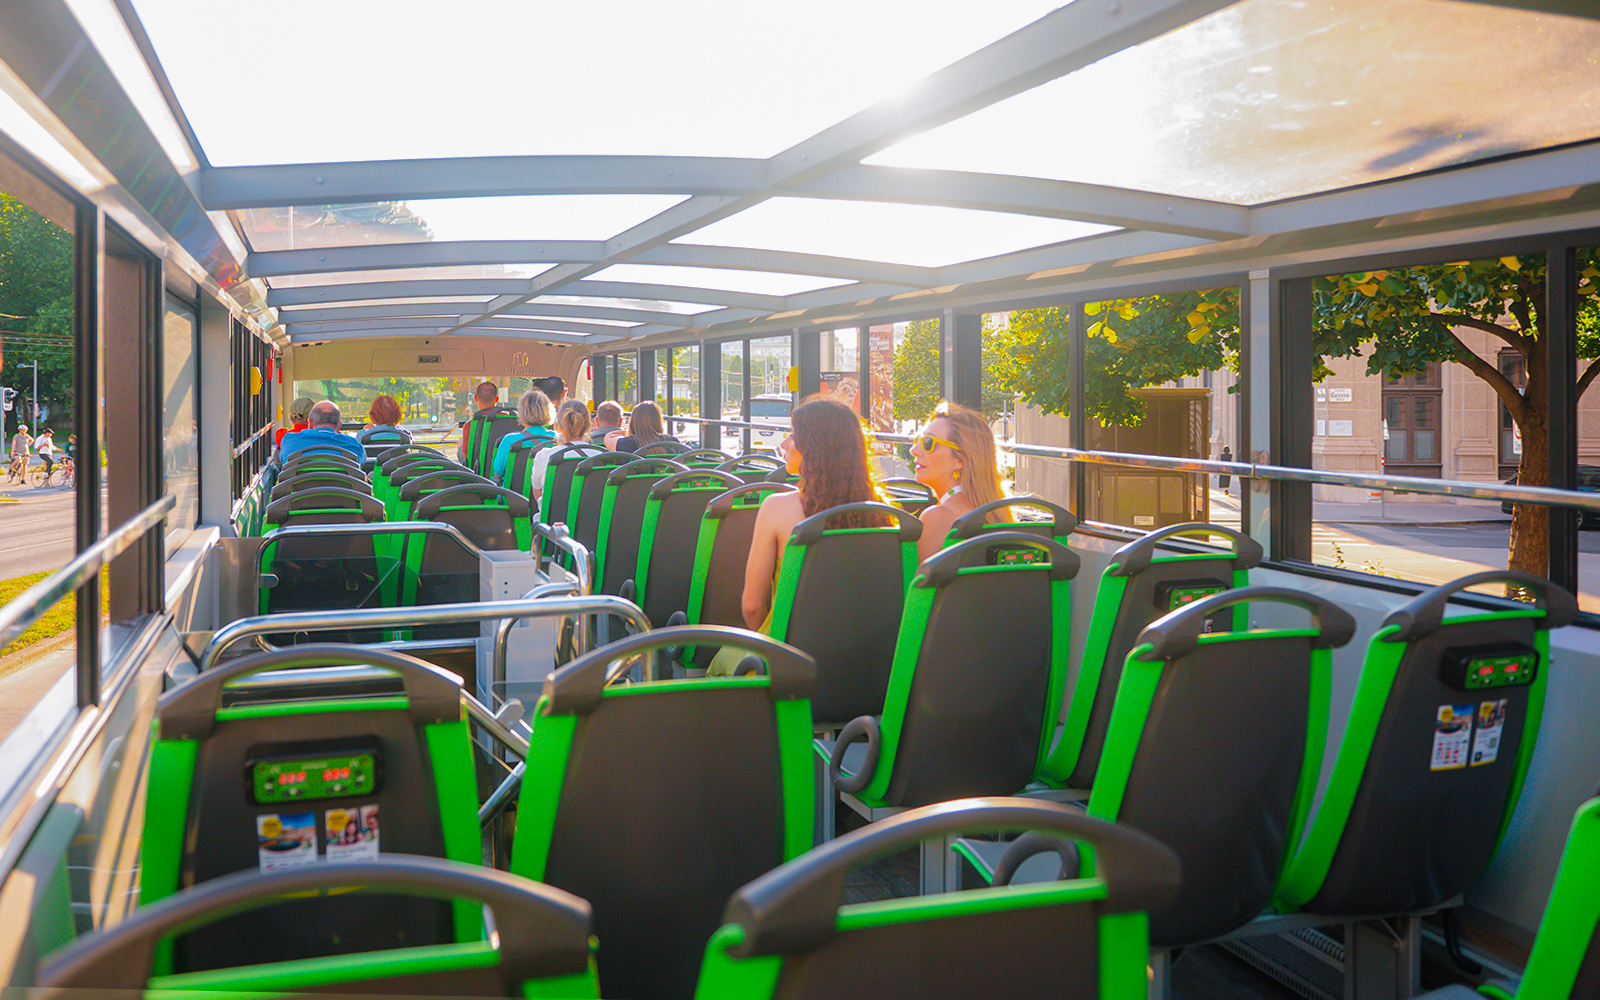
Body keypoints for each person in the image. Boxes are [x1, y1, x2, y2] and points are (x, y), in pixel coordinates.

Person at [709, 398, 888, 675]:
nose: (784, 444)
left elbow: (752, 606)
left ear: (814, 450)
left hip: (786, 662)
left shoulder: (777, 508)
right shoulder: (884, 514)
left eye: (792, 436)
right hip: (864, 664)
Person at [909, 402, 1010, 562]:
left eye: (928, 443)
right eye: (917, 440)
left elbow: (917, 586)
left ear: (960, 459)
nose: (914, 450)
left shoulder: (935, 519)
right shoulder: (999, 517)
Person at [529, 399, 603, 502]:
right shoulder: (601, 457)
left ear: (558, 426)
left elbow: (538, 492)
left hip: (553, 518)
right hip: (591, 518)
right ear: (588, 426)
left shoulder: (545, 455)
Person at [493, 389, 556, 480]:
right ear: (548, 411)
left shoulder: (510, 440)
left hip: (513, 494)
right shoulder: (558, 439)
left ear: (522, 412)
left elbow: (498, 474)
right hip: (545, 494)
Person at [279, 401, 365, 464]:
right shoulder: (355, 446)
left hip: (299, 488)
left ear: (310, 423)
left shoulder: (289, 441)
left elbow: (283, 460)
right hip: (341, 488)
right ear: (339, 426)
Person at [610, 400, 686, 455]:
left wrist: (625, 432)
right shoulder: (672, 442)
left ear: (633, 422)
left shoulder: (627, 443)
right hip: (668, 478)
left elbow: (608, 438)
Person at [458, 381, 501, 462]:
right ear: (497, 399)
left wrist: (460, 445)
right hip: (501, 468)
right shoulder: (509, 420)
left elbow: (465, 455)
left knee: (460, 444)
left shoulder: (469, 425)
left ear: (475, 398)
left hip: (477, 470)